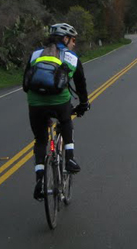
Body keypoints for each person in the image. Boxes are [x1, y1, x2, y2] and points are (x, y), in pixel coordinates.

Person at [23, 23, 90, 201]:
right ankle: (69, 159)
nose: (74, 43)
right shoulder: (71, 57)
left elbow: (25, 82)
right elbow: (81, 84)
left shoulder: (36, 54)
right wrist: (83, 104)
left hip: (35, 102)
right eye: (73, 39)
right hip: (59, 102)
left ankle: (40, 181)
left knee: (40, 140)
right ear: (65, 39)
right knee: (66, 121)